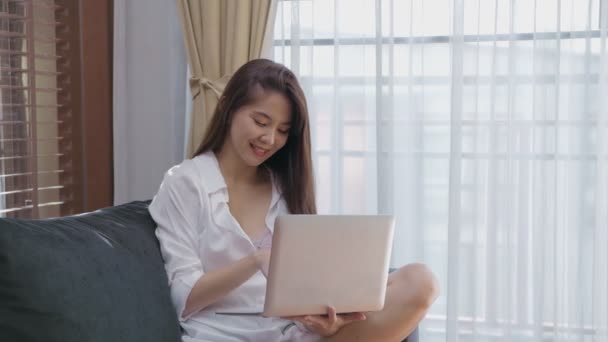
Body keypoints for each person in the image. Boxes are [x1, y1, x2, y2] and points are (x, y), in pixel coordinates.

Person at [149, 59, 439, 342]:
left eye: (283, 131)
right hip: (223, 333)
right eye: (260, 122)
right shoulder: (185, 183)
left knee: (420, 282)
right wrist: (254, 261)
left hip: (291, 332)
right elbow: (183, 299)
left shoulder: (284, 185)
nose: (269, 138)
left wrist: (327, 320)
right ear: (227, 107)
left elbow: (310, 285)